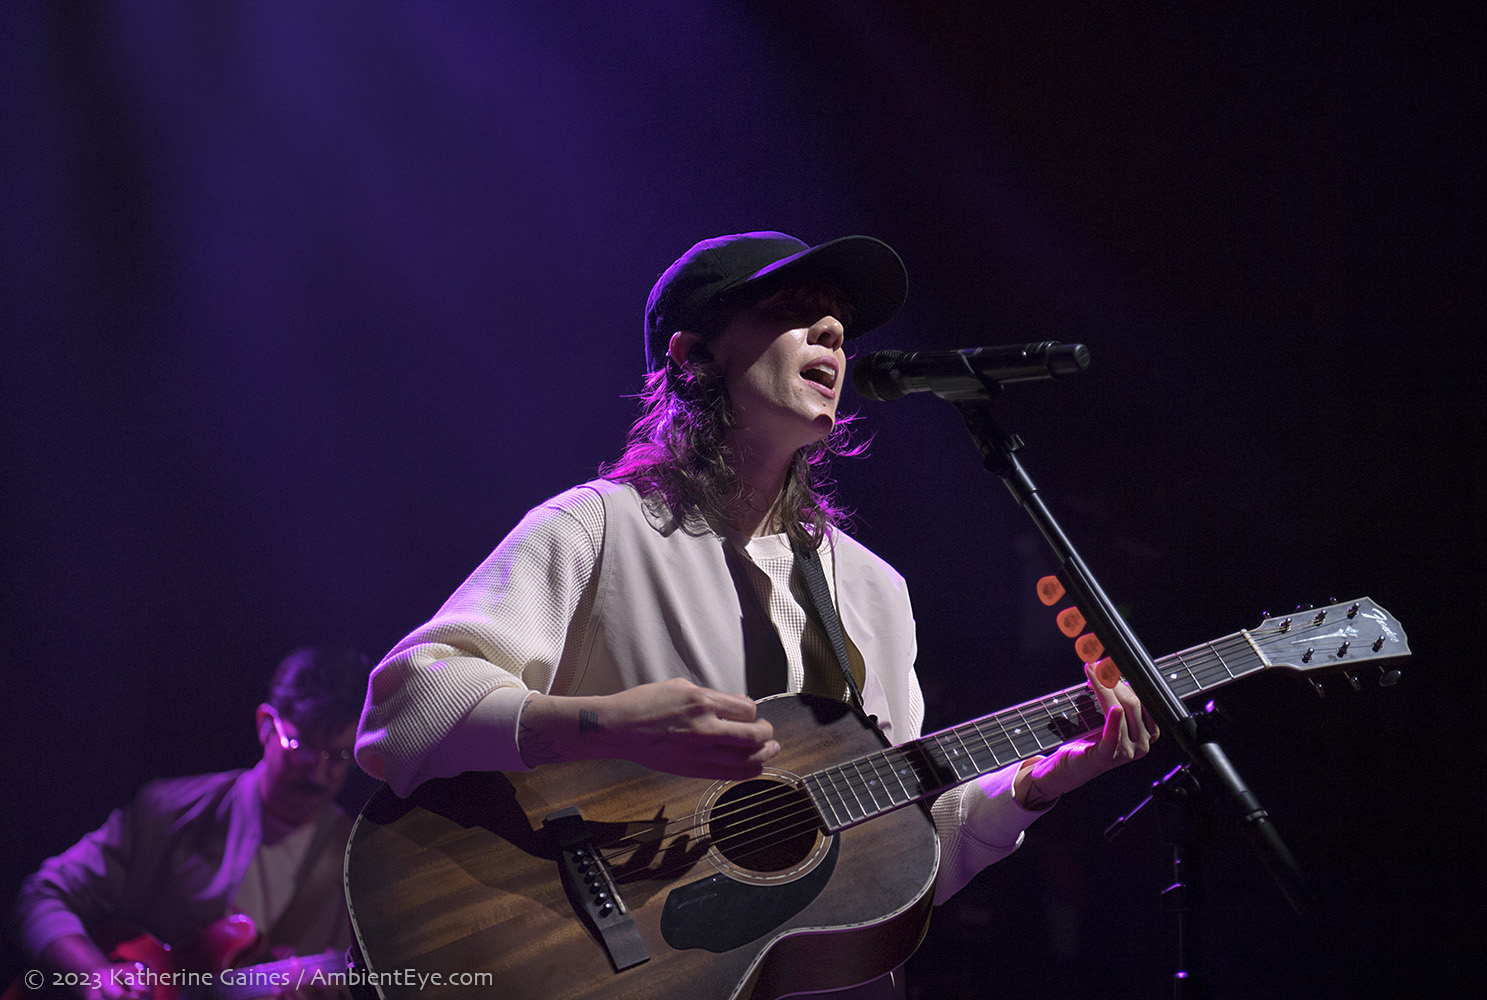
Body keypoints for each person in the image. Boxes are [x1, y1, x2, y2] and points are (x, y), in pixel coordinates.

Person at [354, 231, 1159, 998]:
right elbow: (404, 712)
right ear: (694, 355)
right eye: (793, 308)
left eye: (839, 322)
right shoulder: (598, 527)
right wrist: (603, 724)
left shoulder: (873, 592)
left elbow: (906, 853)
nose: (835, 331)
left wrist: (1037, 783)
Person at [12, 647, 371, 1000]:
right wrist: (92, 975)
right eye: (301, 746)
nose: (319, 773)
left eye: (340, 755)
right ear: (265, 725)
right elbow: (42, 896)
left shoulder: (360, 865)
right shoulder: (171, 810)